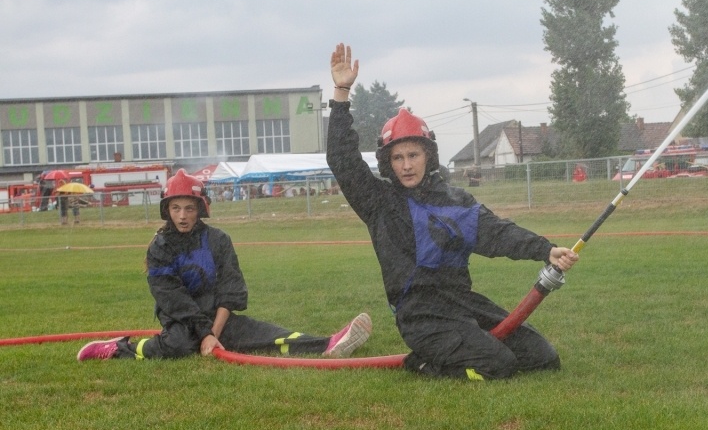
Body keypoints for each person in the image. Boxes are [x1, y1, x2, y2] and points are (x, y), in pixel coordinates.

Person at [326, 43, 578, 380]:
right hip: (420, 315)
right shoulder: (378, 203)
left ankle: (459, 349)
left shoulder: (457, 201)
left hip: (463, 304)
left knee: (542, 358)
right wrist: (342, 92)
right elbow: (342, 160)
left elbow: (498, 233)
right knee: (498, 365)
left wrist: (545, 249)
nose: (406, 165)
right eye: (397, 158)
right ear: (388, 162)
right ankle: (423, 363)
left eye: (413, 155)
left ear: (428, 156)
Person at [77, 169, 371, 361]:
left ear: (200, 209)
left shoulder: (218, 239)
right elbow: (174, 300)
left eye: (189, 208)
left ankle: (329, 344)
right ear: (166, 210)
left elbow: (230, 287)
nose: (182, 216)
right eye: (175, 208)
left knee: (262, 336)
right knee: (178, 346)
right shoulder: (159, 248)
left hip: (218, 316)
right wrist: (203, 334)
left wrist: (214, 333)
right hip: (183, 320)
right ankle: (117, 348)